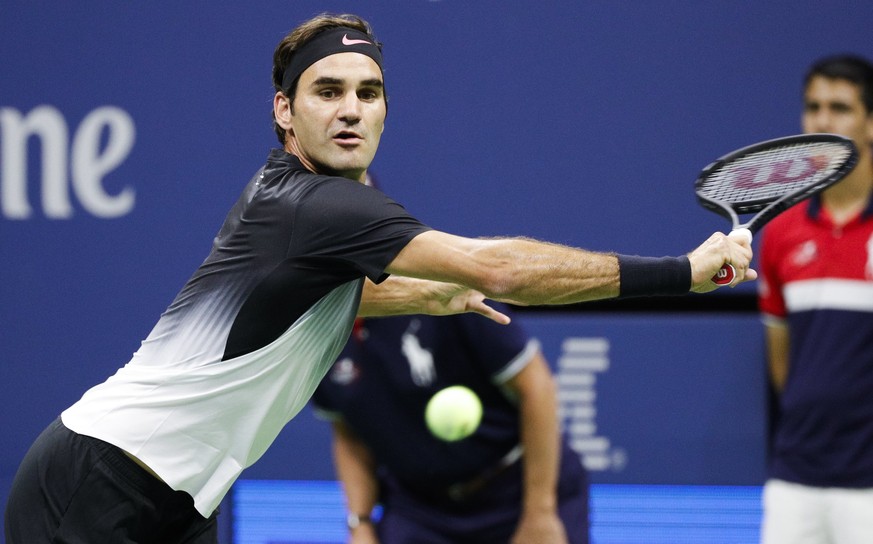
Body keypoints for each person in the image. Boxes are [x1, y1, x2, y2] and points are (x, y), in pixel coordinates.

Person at [4, 12, 754, 544]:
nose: (350, 110)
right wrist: (683, 272)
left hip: (178, 497)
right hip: (97, 481)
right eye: (326, 91)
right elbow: (499, 268)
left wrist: (426, 295)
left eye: (367, 92)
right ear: (284, 112)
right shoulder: (322, 205)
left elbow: (310, 299)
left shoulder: (297, 203)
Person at [313, 304, 589, 544]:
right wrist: (360, 525)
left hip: (516, 488)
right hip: (419, 508)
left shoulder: (444, 289)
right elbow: (349, 434)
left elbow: (536, 388)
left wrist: (540, 513)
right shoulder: (313, 335)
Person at [758, 54, 873, 544]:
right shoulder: (781, 233)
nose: (823, 121)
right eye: (813, 107)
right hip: (795, 477)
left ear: (871, 123)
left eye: (840, 107)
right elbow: (783, 364)